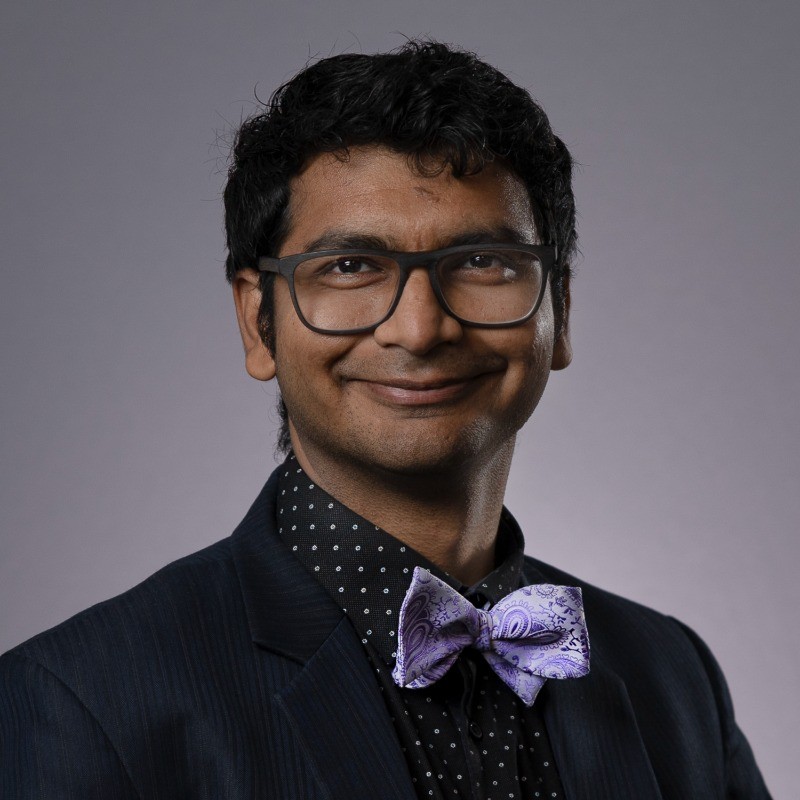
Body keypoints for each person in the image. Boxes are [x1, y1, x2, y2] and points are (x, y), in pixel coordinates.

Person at [0, 41, 771, 799]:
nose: (420, 329)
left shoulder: (672, 677)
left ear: (558, 313)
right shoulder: (80, 702)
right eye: (350, 267)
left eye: (483, 261)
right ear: (257, 321)